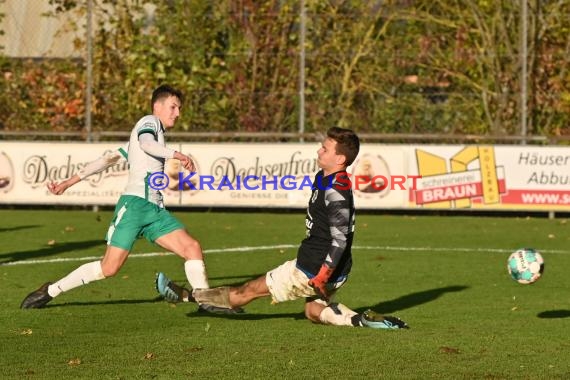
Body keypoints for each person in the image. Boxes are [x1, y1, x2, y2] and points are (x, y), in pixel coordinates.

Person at [155, 127, 409, 329]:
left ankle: (187, 296)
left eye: (325, 148)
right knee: (312, 311)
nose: (319, 151)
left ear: (340, 158)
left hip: (313, 268)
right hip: (336, 271)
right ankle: (359, 320)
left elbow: (340, 239)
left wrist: (322, 274)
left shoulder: (337, 191)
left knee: (247, 291)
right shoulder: (326, 177)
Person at [21, 84, 224, 312]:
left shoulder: (145, 137)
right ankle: (50, 290)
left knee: (192, 247)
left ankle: (207, 302)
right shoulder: (150, 122)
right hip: (135, 206)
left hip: (154, 211)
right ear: (157, 106)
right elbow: (148, 144)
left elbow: (107, 159)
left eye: (179, 108)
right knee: (109, 268)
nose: (177, 113)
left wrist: (68, 182)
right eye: (173, 107)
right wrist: (178, 155)